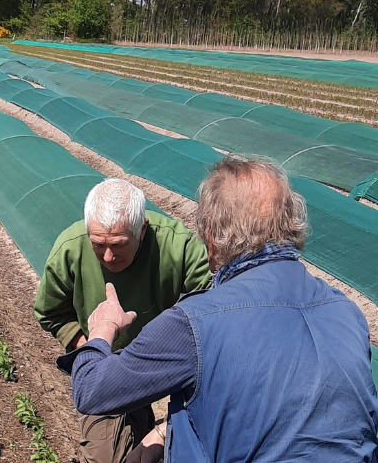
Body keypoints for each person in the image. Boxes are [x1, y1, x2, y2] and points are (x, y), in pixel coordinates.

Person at [59, 156, 378, 463]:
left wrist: (102, 329)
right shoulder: (347, 312)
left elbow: (92, 392)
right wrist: (166, 431)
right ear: (291, 225)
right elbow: (287, 415)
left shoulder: (195, 322)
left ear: (211, 241)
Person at [34, 178, 210, 463]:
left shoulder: (178, 246)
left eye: (118, 244)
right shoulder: (69, 249)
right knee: (106, 455)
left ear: (142, 230)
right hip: (105, 362)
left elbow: (215, 301)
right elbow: (51, 313)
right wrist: (94, 346)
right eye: (98, 244)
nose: (107, 256)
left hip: (158, 361)